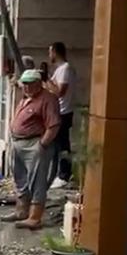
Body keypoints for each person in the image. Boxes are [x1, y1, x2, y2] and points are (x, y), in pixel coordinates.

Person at [1, 69, 61, 230]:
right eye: (24, 84)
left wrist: (42, 144)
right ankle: (21, 211)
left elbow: (53, 125)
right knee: (21, 179)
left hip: (34, 144)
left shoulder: (47, 99)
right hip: (18, 143)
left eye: (29, 84)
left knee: (37, 181)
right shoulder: (26, 98)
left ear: (38, 83)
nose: (25, 87)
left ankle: (35, 217)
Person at [46, 42, 75, 189]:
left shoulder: (65, 69)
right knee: (57, 145)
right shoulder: (60, 69)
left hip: (63, 112)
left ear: (56, 52)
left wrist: (48, 81)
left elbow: (59, 92)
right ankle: (59, 173)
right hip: (58, 111)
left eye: (50, 52)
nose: (49, 55)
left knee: (62, 144)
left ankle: (64, 174)